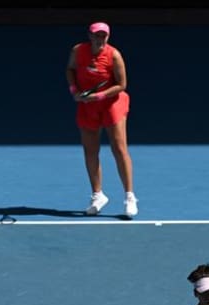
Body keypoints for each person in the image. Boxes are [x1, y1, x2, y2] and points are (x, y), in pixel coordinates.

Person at [66, 21, 138, 218]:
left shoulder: (114, 55)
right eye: (97, 35)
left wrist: (98, 96)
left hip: (111, 103)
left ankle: (129, 197)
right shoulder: (78, 51)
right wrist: (74, 90)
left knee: (119, 148)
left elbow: (122, 84)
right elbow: (70, 70)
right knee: (90, 150)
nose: (101, 38)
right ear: (90, 36)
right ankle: (98, 195)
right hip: (87, 105)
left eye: (103, 35)